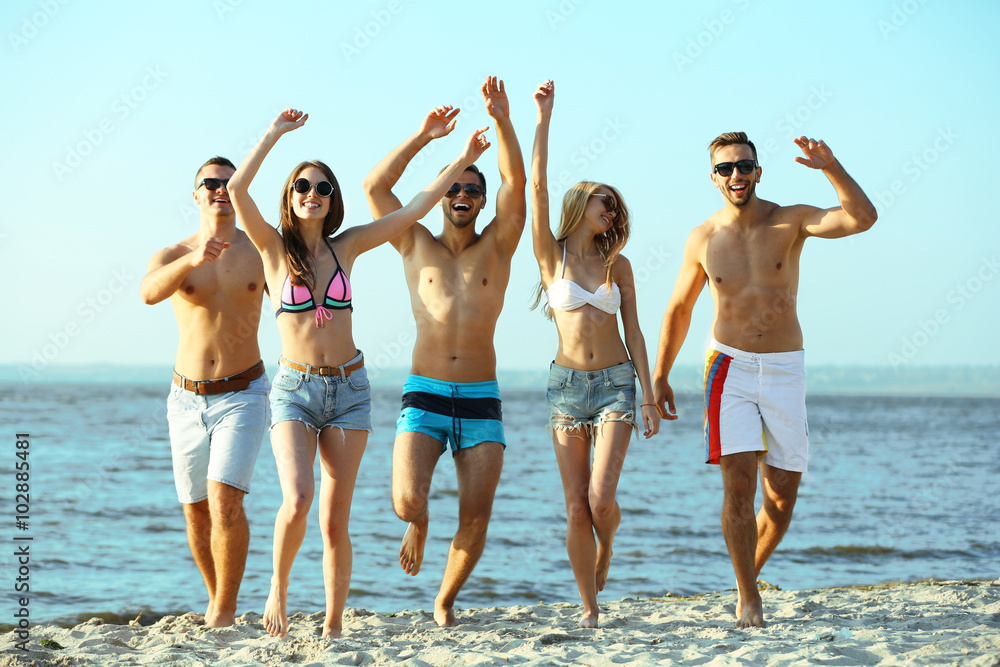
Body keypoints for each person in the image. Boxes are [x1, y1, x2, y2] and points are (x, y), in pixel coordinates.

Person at [227, 108, 490, 638]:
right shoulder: (273, 249)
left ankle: (333, 622)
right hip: (295, 391)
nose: (312, 193)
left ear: (332, 198)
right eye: (302, 185)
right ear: (290, 194)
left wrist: (458, 155)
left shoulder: (347, 246)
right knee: (298, 499)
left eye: (322, 187)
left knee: (333, 518)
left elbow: (414, 205)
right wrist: (274, 135)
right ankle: (277, 588)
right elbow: (236, 190)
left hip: (349, 390)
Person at [652, 132, 877, 628]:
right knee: (737, 487)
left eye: (745, 166)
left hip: (782, 367)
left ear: (758, 171)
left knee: (781, 499)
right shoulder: (703, 238)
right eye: (727, 168)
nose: (737, 175)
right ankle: (749, 598)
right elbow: (679, 308)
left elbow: (862, 219)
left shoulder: (790, 220)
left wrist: (831, 166)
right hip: (726, 365)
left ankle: (742, 578)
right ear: (714, 178)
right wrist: (660, 374)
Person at [362, 76, 526, 627]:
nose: (462, 195)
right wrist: (424, 137)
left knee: (476, 517)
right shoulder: (412, 240)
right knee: (407, 502)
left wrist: (503, 120)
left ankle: (445, 600)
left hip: (481, 397)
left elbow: (516, 181)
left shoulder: (500, 244)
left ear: (481, 201)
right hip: (425, 393)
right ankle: (420, 521)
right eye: (453, 186)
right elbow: (374, 187)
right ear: (440, 193)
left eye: (472, 190)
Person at [528, 80, 660, 628]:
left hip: (615, 385)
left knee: (602, 501)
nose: (611, 211)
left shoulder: (617, 266)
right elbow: (535, 186)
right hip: (565, 388)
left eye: (615, 206)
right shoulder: (549, 255)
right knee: (576, 506)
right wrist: (543, 117)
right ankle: (589, 606)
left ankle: (608, 548)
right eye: (604, 203)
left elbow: (635, 332)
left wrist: (649, 396)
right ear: (580, 206)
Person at [140, 156, 269, 628]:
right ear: (195, 195)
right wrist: (195, 259)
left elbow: (296, 300)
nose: (220, 188)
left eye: (229, 182)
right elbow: (148, 292)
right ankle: (217, 598)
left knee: (225, 502)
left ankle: (224, 611)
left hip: (244, 393)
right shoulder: (173, 253)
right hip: (185, 398)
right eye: (210, 183)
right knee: (195, 510)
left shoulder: (260, 248)